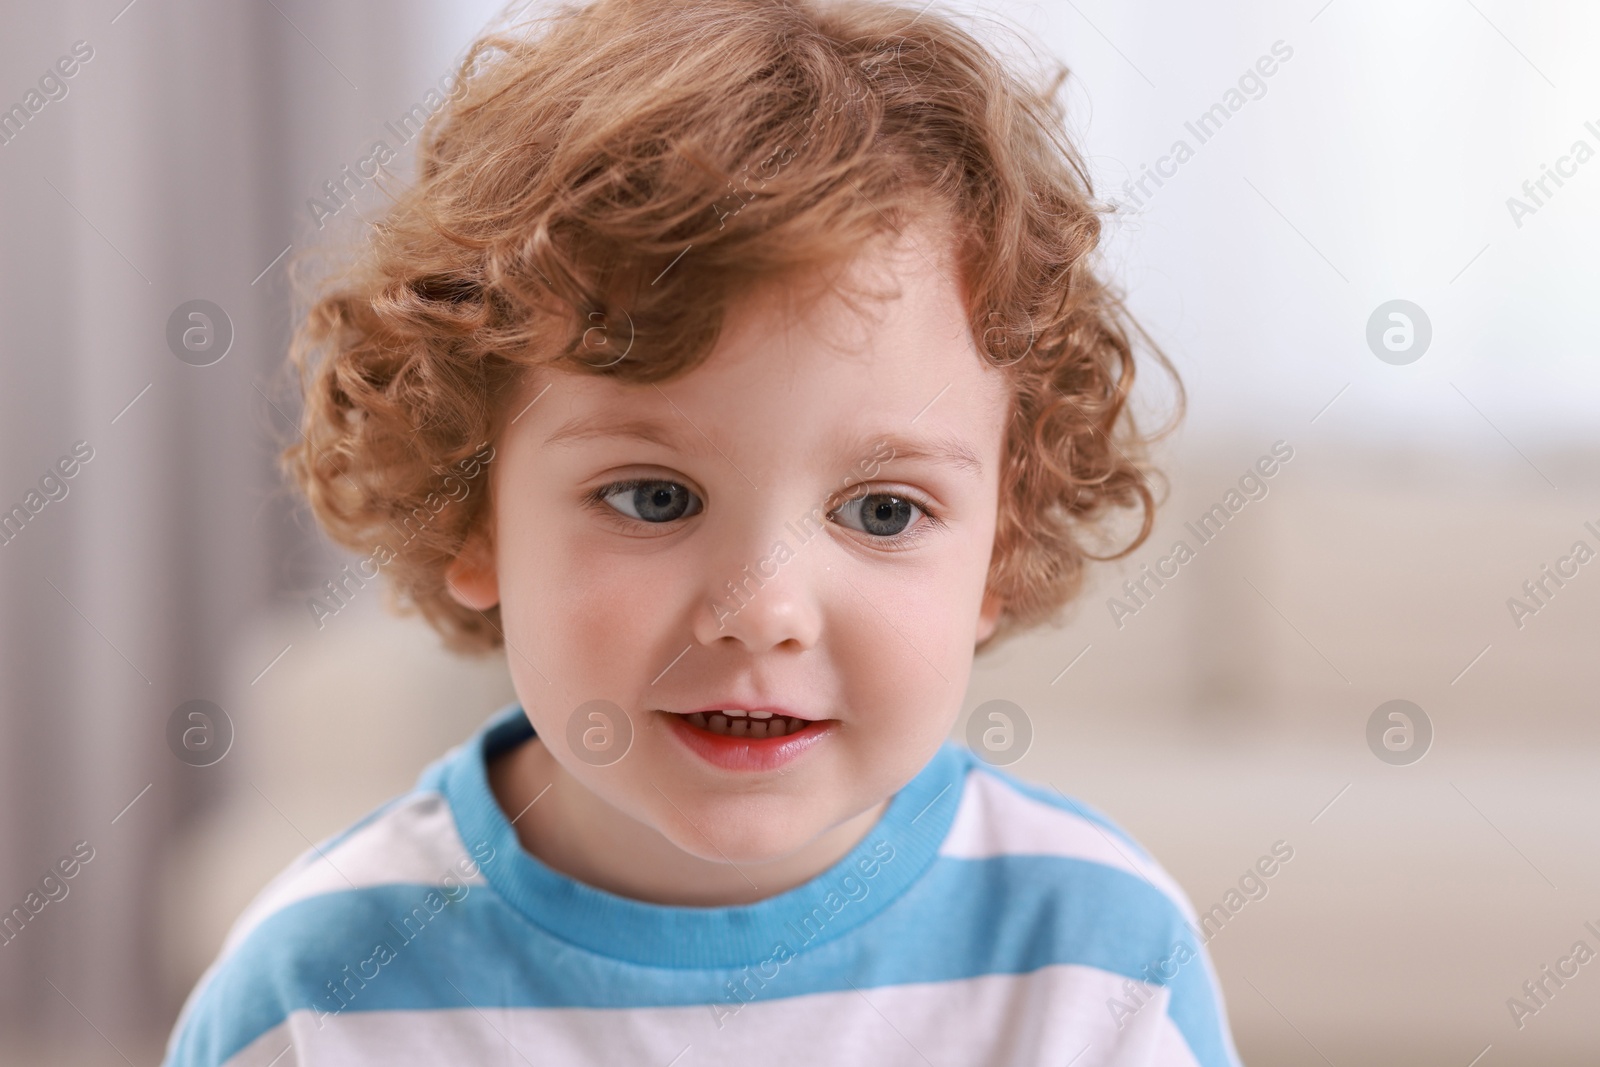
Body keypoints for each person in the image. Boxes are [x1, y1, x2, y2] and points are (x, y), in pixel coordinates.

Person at [164, 0, 1240, 1062]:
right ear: (471, 512)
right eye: (653, 496)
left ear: (998, 547)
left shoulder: (1101, 962)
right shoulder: (313, 993)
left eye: (882, 510)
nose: (762, 608)